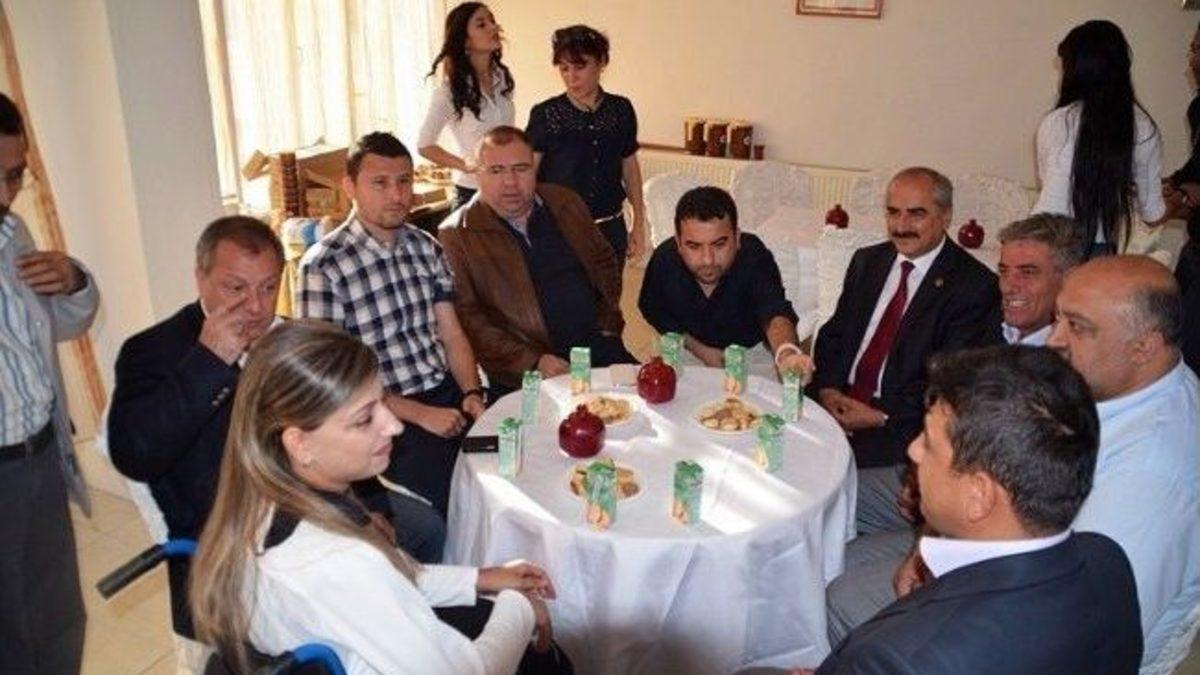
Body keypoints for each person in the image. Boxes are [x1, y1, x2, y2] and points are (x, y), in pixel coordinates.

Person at [827, 256, 1199, 673]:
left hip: (1016, 599)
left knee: (842, 592)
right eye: (1057, 318)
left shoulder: (1151, 481)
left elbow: (1072, 633)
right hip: (996, 522)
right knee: (838, 524)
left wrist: (937, 567)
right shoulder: (1107, 385)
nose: (1054, 339)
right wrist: (930, 536)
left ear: (1144, 346)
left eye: (1077, 326)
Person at [188, 320, 571, 675]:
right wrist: (522, 607)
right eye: (364, 418)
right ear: (299, 443)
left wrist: (480, 578)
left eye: (383, 402)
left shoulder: (260, 500)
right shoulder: (338, 560)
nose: (395, 426)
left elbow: (386, 581)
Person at [814, 346, 1141, 675]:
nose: (913, 451)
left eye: (929, 443)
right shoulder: (1107, 559)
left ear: (979, 495)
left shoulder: (896, 661)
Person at [297, 132, 486, 521]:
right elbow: (332, 380)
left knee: (505, 475)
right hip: (381, 414)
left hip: (446, 394)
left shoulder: (425, 247)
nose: (397, 195)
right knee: (454, 508)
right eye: (380, 183)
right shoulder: (323, 266)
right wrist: (420, 415)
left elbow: (451, 333)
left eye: (404, 181)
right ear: (350, 187)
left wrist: (470, 391)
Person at [810, 167, 1002, 534]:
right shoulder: (867, 262)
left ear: (945, 216)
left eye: (916, 214)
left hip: (898, 427)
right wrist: (829, 390)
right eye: (893, 212)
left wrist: (880, 415)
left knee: (816, 496)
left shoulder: (974, 286)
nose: (901, 226)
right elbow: (834, 335)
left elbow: (951, 384)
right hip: (833, 406)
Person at [0, 91, 95, 674]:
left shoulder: (14, 234)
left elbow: (64, 323)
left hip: (39, 455)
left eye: (14, 176)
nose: (4, 195)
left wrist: (74, 280)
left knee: (58, 619)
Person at [439, 125, 634, 394]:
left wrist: (608, 324)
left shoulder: (565, 201)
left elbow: (605, 262)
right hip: (524, 371)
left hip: (598, 346)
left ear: (534, 168)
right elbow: (469, 317)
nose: (510, 182)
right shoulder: (457, 234)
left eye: (520, 169)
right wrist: (532, 362)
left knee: (654, 403)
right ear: (477, 173)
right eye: (496, 171)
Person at [638, 186, 811, 376]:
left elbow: (774, 311)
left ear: (737, 238)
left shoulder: (753, 255)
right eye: (694, 246)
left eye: (719, 244)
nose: (707, 260)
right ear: (678, 243)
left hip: (751, 355)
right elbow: (654, 310)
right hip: (686, 350)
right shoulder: (664, 260)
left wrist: (786, 354)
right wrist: (700, 350)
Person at [1033, 19, 1167, 258]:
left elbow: (1050, 184)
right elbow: (1152, 213)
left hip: (1042, 240)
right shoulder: (1143, 127)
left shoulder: (1056, 121)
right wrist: (1180, 201)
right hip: (1097, 250)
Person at [526, 24, 646, 280]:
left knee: (609, 300)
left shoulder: (621, 110)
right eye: (564, 68)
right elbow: (528, 174)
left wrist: (639, 223)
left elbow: (629, 167)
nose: (571, 77)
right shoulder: (546, 114)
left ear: (601, 62)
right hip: (559, 231)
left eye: (579, 67)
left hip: (610, 228)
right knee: (566, 300)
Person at [418, 2, 515, 208]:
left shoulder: (503, 79)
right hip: (472, 194)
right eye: (481, 24)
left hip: (506, 189)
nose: (493, 27)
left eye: (492, 21)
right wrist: (466, 165)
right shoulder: (449, 92)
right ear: (465, 40)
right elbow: (425, 145)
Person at [1162, 20, 1200, 373]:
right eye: (1192, 49)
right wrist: (1176, 187)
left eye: (1197, 49)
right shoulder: (1197, 108)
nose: (1191, 60)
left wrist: (1179, 192)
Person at [997, 213, 1084, 346]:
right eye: (1004, 271)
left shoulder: (1081, 353)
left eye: (1027, 273)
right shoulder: (982, 334)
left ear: (1069, 279)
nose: (1007, 287)